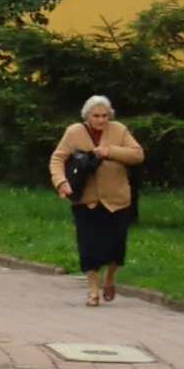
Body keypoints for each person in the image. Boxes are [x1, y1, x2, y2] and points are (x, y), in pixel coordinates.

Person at [49, 94, 145, 307]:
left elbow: (137, 155)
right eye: (96, 116)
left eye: (104, 116)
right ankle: (93, 291)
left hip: (117, 198)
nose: (101, 120)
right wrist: (61, 181)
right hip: (86, 199)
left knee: (116, 247)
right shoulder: (75, 132)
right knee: (89, 246)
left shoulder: (119, 130)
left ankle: (109, 278)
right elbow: (58, 158)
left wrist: (109, 151)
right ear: (87, 116)